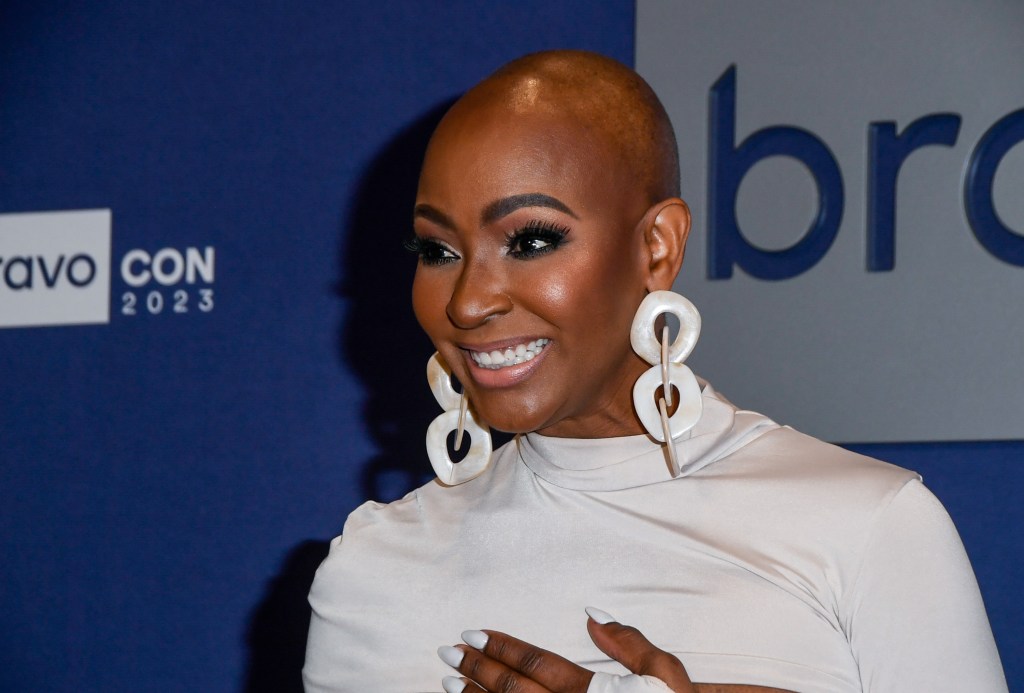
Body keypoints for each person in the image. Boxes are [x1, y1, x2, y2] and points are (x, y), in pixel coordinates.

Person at [303, 50, 1007, 692]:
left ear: (657, 247)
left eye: (531, 240)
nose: (469, 300)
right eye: (438, 249)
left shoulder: (871, 528)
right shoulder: (375, 572)